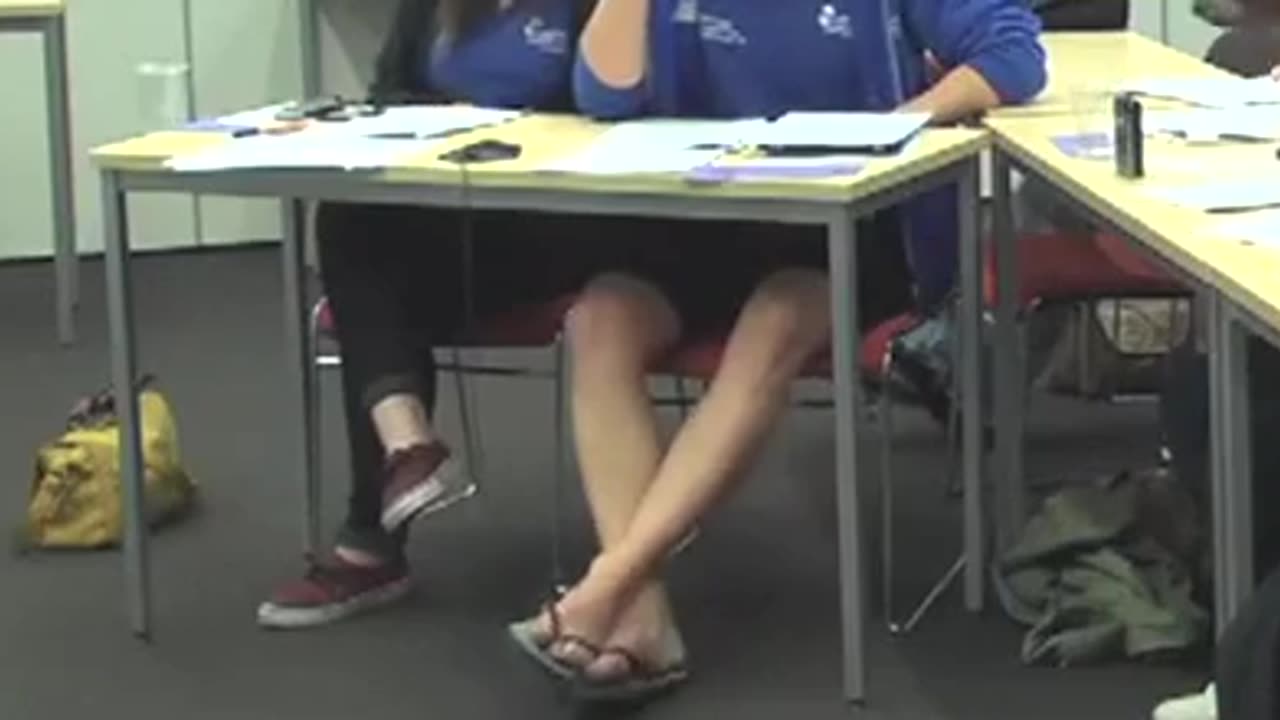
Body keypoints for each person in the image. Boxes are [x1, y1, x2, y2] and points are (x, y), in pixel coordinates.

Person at [509, 0, 1047, 700]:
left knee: (775, 319)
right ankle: (637, 607)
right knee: (600, 318)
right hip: (701, 217)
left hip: (844, 227)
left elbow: (1014, 56)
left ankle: (607, 583)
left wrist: (896, 122)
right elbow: (605, 96)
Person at [256, 0, 600, 629]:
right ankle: (409, 448)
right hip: (448, 219)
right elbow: (389, 95)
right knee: (351, 221)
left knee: (375, 283)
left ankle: (370, 541)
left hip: (558, 229)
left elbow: (612, 103)